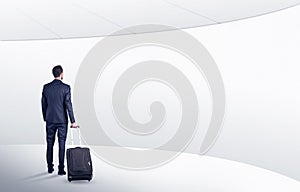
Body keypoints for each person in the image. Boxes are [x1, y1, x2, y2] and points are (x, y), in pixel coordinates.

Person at [41, 65, 78, 175]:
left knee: (49, 144)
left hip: (50, 120)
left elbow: (43, 104)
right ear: (61, 74)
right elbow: (68, 105)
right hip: (62, 121)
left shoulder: (46, 87)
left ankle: (49, 168)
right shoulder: (66, 88)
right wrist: (73, 121)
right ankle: (61, 169)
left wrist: (45, 117)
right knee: (62, 144)